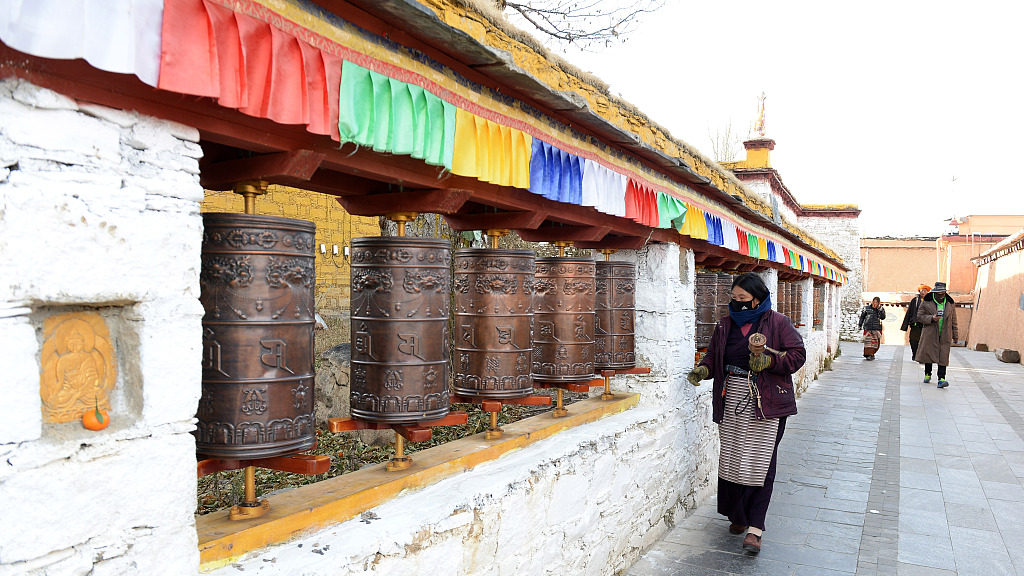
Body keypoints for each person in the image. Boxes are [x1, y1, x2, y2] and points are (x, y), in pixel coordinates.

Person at [686, 272, 806, 555]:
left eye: (744, 298)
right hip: (732, 397)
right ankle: (738, 516)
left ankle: (755, 528)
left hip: (765, 400)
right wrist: (704, 369)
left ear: (758, 298)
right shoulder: (725, 324)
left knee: (761, 461)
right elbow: (714, 355)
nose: (738, 303)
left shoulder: (778, 323)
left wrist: (769, 361)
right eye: (734, 298)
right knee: (733, 457)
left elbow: (797, 354)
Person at [916, 282, 958, 388]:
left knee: (943, 355)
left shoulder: (950, 303)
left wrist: (955, 335)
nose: (940, 295)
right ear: (934, 292)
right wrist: (931, 318)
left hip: (945, 334)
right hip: (930, 333)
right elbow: (919, 316)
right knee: (929, 354)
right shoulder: (926, 302)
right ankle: (927, 373)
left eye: (942, 293)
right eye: (938, 293)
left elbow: (954, 320)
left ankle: (941, 378)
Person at [900, 284, 930, 363]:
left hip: (925, 325)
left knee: (923, 342)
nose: (923, 292)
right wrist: (905, 325)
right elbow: (909, 312)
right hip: (915, 324)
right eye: (921, 291)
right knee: (913, 341)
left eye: (924, 291)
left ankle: (921, 357)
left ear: (927, 292)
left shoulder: (930, 301)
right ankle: (915, 354)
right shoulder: (915, 300)